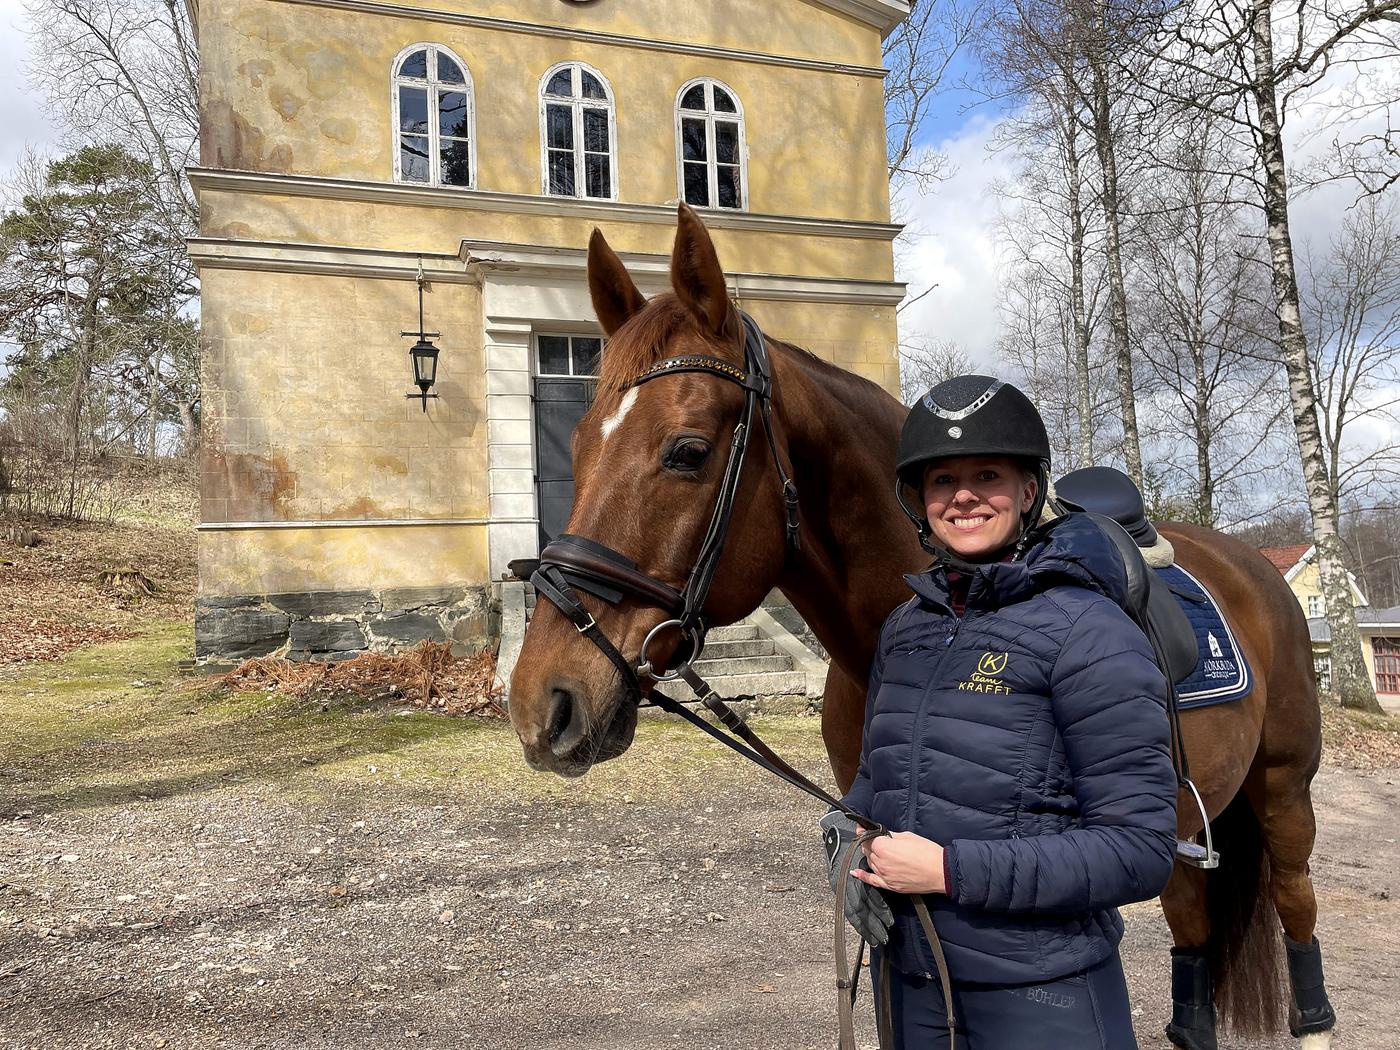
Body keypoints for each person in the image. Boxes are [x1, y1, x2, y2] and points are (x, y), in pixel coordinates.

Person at [822, 375, 1178, 1049]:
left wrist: (949, 871)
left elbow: (1139, 852)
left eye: (987, 474)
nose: (961, 496)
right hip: (912, 981)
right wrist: (847, 825)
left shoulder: (1089, 631)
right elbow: (886, 778)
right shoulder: (907, 628)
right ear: (917, 501)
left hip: (1045, 997)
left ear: (1027, 491)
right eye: (940, 480)